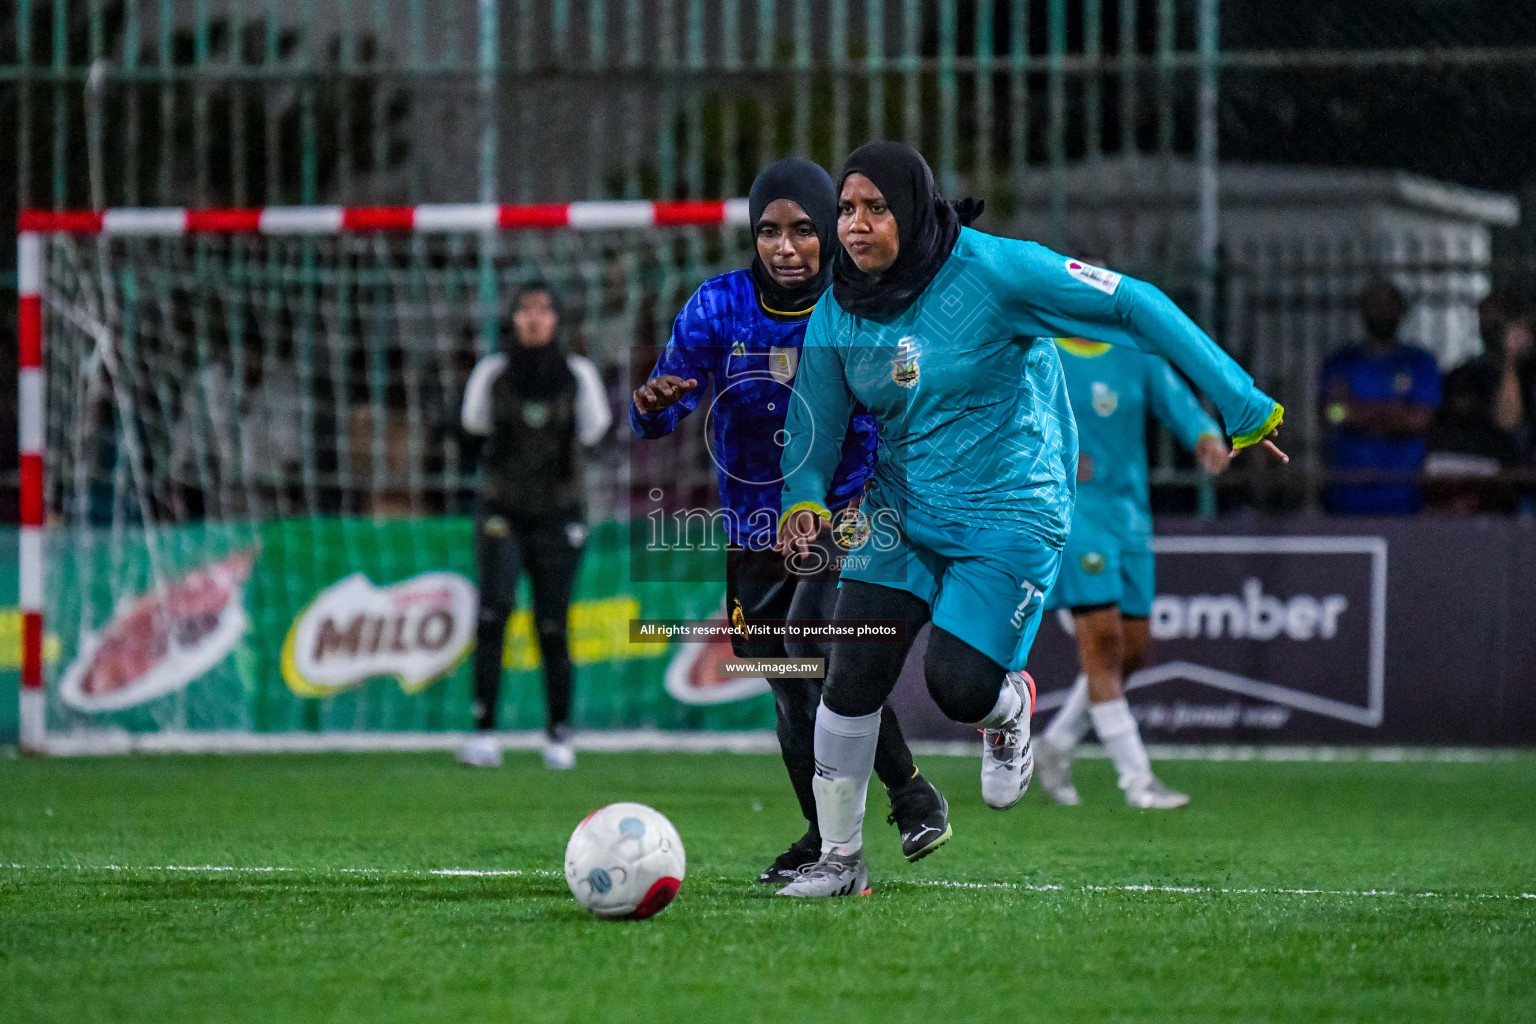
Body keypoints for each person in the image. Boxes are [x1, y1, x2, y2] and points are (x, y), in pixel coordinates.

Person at [774, 141, 1285, 898]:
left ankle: (1009, 710)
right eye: (846, 209)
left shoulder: (995, 271)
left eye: (876, 209)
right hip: (903, 508)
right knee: (849, 675)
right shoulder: (840, 306)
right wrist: (804, 503)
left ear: (913, 211)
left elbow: (1133, 304)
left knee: (958, 683)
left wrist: (1241, 404)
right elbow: (813, 422)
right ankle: (841, 861)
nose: (854, 226)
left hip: (1011, 508)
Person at [630, 158, 951, 884]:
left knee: (824, 656)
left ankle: (906, 796)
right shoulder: (718, 307)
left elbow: (903, 397)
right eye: (770, 231)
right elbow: (663, 403)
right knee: (788, 679)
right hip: (751, 528)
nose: (786, 247)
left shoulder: (859, 306)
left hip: (846, 509)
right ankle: (823, 835)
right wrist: (654, 406)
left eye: (804, 230)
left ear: (827, 233)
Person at [1034, 335, 1231, 809]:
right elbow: (1008, 416)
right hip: (1074, 514)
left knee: (1133, 654)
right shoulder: (1041, 353)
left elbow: (1179, 404)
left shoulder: (1136, 354)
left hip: (1131, 519)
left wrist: (1205, 437)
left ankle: (1054, 745)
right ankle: (1138, 781)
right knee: (1102, 648)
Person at [458, 282, 613, 770]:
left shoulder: (578, 375)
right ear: (513, 319)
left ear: (557, 319)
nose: (534, 318)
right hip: (502, 509)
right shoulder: (493, 373)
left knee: (552, 622)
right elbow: (472, 428)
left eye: (544, 310)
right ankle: (483, 730)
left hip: (559, 513)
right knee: (493, 613)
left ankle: (559, 734)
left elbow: (597, 434)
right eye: (525, 309)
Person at [1319, 281, 1441, 515]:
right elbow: (1332, 414)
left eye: (1388, 304)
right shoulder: (1341, 362)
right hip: (1348, 495)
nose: (1380, 311)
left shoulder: (1419, 362)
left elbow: (1421, 419)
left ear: (1401, 310)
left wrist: (1355, 411)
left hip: (1405, 495)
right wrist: (1391, 411)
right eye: (1373, 304)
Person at [1424, 293, 1533, 514]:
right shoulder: (1466, 373)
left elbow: (1510, 421)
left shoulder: (1530, 371)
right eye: (1486, 319)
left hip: (1523, 484)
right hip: (1481, 483)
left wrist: (1512, 359)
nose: (1493, 327)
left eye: (1501, 320)